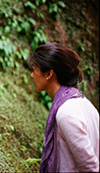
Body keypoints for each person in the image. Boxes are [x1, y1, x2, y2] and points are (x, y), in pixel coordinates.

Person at [30, 43, 99, 172]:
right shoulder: (85, 104)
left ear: (49, 74)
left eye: (34, 69)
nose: (32, 75)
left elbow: (90, 167)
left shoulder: (66, 113)